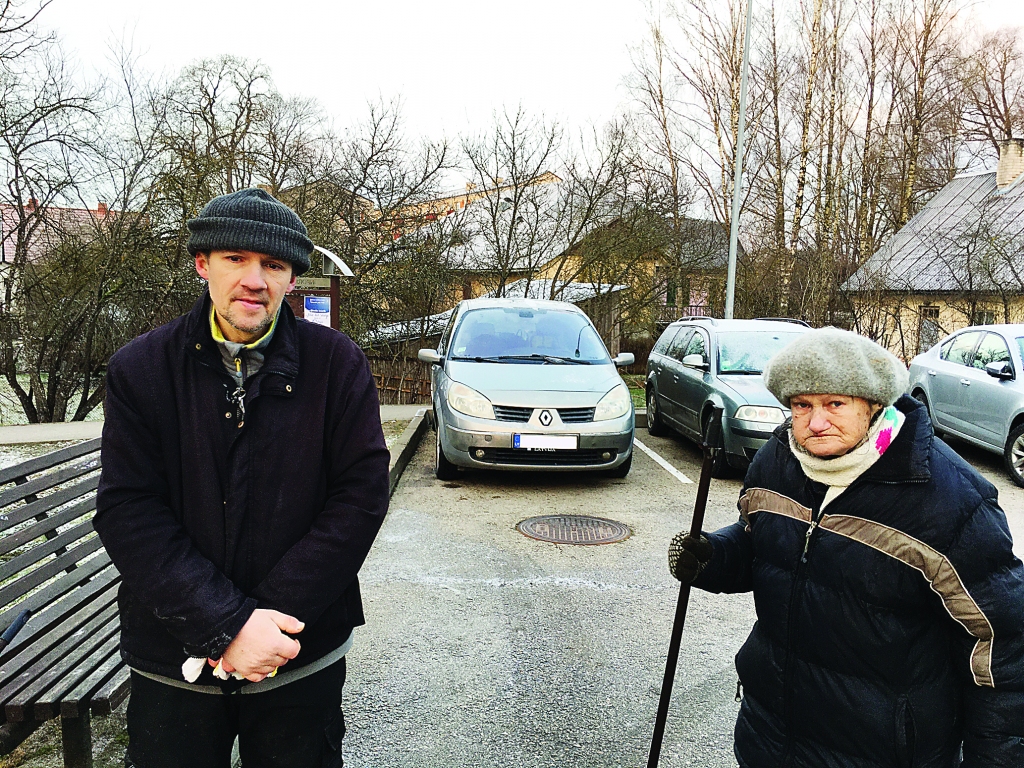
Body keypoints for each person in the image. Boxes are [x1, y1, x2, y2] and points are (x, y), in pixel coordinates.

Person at [95, 188, 391, 768]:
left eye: (273, 265)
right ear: (203, 264)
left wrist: (265, 627)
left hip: (299, 654)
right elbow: (129, 509)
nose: (254, 279)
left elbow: (359, 499)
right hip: (173, 660)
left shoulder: (337, 365)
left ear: (291, 280)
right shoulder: (140, 369)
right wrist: (225, 624)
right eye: (236, 259)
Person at [669, 327, 1024, 767]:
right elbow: (767, 546)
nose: (816, 423)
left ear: (874, 405)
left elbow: (999, 647)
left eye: (834, 404)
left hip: (881, 752)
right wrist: (713, 556)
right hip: (770, 737)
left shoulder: (951, 501)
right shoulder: (776, 462)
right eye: (802, 405)